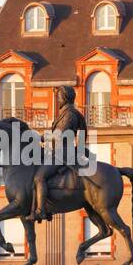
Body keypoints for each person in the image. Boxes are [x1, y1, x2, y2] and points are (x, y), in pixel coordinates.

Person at [32, 86, 88, 222]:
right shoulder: (65, 113)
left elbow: (60, 134)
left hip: (62, 153)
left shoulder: (70, 114)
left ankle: (41, 211)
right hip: (56, 151)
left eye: (59, 97)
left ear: (65, 97)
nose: (57, 99)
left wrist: (40, 138)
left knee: (39, 177)